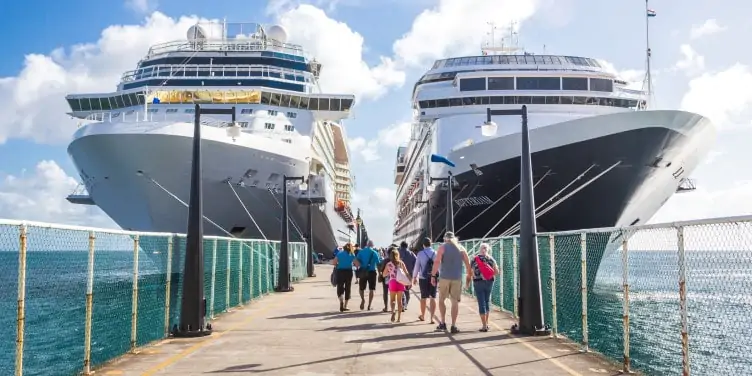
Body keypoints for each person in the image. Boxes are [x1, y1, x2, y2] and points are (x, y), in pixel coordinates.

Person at [430, 231, 472, 334]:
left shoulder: (442, 247)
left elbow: (437, 262)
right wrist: (469, 276)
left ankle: (443, 323)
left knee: (441, 300)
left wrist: (433, 275)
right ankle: (453, 325)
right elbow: (468, 264)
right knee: (454, 302)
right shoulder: (461, 248)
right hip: (457, 278)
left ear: (445, 239)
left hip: (444, 277)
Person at [471, 243, 500, 332]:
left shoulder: (474, 259)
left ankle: (484, 326)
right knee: (487, 301)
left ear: (480, 249)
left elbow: (470, 272)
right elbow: (497, 272)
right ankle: (486, 323)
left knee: (481, 303)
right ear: (488, 250)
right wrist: (488, 276)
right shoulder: (491, 259)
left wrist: (476, 276)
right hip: (489, 282)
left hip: (478, 282)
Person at [381, 246, 411, 323]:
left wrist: (388, 272)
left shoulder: (389, 264)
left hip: (392, 282)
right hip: (400, 282)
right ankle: (399, 318)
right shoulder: (401, 263)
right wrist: (410, 281)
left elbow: (384, 275)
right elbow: (406, 273)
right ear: (398, 255)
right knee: (400, 301)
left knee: (392, 300)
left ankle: (393, 311)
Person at [412, 237, 437, 323]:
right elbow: (439, 266)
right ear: (431, 244)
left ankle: (423, 316)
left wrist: (414, 277)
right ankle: (432, 318)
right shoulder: (435, 253)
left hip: (423, 278)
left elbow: (417, 266)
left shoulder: (420, 254)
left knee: (423, 297)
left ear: (423, 245)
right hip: (434, 277)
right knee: (433, 297)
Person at [332, 243, 358, 312]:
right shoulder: (352, 255)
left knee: (340, 287)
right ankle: (345, 306)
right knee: (348, 288)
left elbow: (334, 263)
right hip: (348, 272)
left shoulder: (340, 253)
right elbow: (357, 264)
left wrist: (338, 264)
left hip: (340, 272)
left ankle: (341, 301)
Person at [355, 240, 381, 310]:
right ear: (372, 245)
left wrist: (358, 267)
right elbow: (378, 264)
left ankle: (363, 299)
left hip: (363, 271)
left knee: (361, 288)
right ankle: (369, 305)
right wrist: (380, 274)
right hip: (372, 272)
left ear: (366, 245)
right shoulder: (375, 252)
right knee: (371, 289)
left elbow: (356, 261)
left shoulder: (361, 251)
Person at [398, 241, 417, 311]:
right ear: (407, 246)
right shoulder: (411, 254)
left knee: (400, 290)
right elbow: (416, 264)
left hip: (399, 275)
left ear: (401, 246)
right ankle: (405, 305)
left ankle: (402, 304)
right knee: (407, 290)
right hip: (409, 275)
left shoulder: (398, 253)